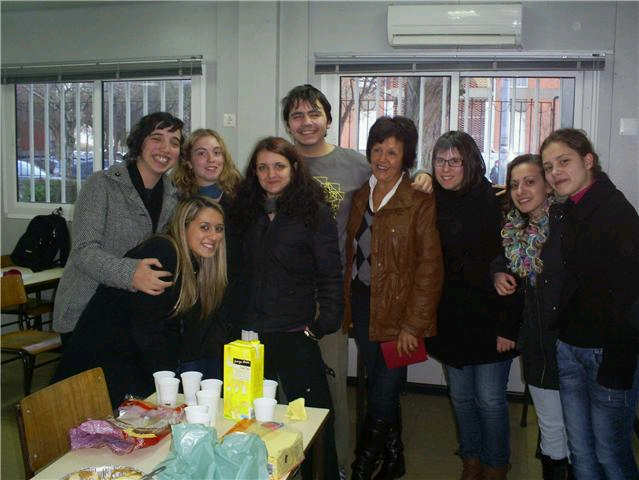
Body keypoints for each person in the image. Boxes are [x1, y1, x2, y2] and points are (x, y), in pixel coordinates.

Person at [281, 84, 433, 476]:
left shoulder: (356, 166)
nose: (306, 122)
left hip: (347, 295)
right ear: (288, 123)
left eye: (314, 113)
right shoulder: (280, 162)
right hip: (322, 296)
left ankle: (354, 464)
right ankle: (389, 457)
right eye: (297, 115)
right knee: (293, 385)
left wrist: (424, 176)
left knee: (357, 384)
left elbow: (399, 183)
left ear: (328, 119)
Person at [230, 136, 343, 480]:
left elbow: (330, 272)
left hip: (295, 332)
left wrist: (323, 324)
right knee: (251, 422)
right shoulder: (243, 211)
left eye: (279, 166)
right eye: (262, 167)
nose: (271, 174)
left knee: (312, 419)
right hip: (250, 337)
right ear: (254, 172)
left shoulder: (314, 212)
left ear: (294, 168)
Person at [52, 196, 228, 407]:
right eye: (204, 227)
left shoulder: (195, 264)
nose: (213, 236)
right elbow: (148, 329)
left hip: (126, 363)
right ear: (184, 226)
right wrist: (167, 382)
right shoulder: (163, 252)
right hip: (99, 368)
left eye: (219, 229)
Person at [343, 116, 443, 480]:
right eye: (377, 150)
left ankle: (362, 465)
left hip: (399, 314)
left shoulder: (419, 200)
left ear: (406, 158)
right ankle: (395, 456)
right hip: (363, 306)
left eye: (392, 152)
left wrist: (413, 326)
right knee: (379, 385)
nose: (382, 159)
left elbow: (429, 268)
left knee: (383, 390)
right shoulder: (359, 196)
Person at [540, 128, 639, 479]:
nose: (555, 172)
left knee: (610, 455)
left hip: (606, 354)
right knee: (580, 451)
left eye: (563, 161)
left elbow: (631, 296)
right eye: (548, 167)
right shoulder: (566, 211)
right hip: (570, 348)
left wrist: (617, 363)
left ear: (588, 160)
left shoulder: (616, 212)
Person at [426, 131, 516, 480]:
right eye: (440, 161)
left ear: (471, 164)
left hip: (491, 318)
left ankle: (496, 465)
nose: (446, 168)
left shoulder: (496, 202)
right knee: (461, 398)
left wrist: (508, 326)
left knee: (490, 400)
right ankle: (471, 460)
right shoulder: (430, 201)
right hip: (450, 318)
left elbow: (514, 267)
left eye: (455, 161)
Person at [53, 112, 183, 344]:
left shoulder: (173, 196)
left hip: (131, 316)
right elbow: (84, 251)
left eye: (174, 142)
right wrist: (131, 274)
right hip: (86, 311)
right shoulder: (101, 184)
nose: (166, 148)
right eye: (157, 138)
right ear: (139, 142)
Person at [492, 154, 571, 479]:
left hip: (570, 347)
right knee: (551, 428)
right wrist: (497, 271)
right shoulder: (513, 230)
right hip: (537, 345)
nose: (521, 191)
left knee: (577, 433)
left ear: (548, 185)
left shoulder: (566, 225)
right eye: (514, 185)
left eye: (529, 182)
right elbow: (502, 260)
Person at [172, 128, 243, 376]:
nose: (211, 159)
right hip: (190, 306)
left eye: (217, 152)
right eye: (202, 153)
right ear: (188, 162)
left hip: (230, 305)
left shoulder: (241, 200)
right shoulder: (176, 201)